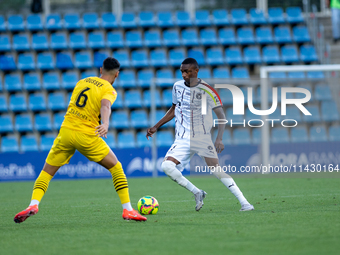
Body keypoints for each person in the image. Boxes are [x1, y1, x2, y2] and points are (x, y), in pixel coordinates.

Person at [14, 57, 147, 223]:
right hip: (86, 135)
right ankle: (128, 210)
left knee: (46, 173)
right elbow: (105, 105)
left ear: (100, 70)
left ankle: (33, 204)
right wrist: (105, 123)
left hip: (66, 131)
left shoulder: (82, 82)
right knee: (116, 167)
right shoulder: (109, 89)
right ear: (117, 74)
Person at [146, 58, 254, 212]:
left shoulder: (207, 90)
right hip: (182, 138)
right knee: (166, 166)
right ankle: (197, 192)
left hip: (202, 138)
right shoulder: (177, 87)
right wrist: (156, 126)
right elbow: (174, 109)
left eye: (187, 71)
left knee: (217, 170)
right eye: (182, 71)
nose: (183, 74)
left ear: (196, 71)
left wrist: (219, 138)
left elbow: (221, 115)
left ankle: (245, 203)